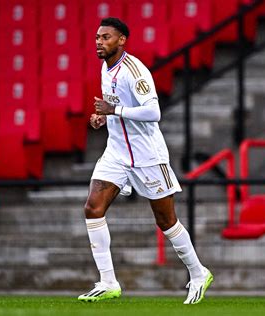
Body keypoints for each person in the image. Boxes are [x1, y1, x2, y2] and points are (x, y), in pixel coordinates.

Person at [78, 17, 213, 305]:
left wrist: (114, 109)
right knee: (92, 208)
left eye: (106, 37)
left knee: (165, 220)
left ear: (122, 40)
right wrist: (104, 116)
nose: (99, 42)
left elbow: (153, 112)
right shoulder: (106, 67)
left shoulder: (135, 71)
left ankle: (198, 272)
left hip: (146, 155)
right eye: (97, 37)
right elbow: (115, 107)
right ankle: (108, 281)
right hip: (116, 151)